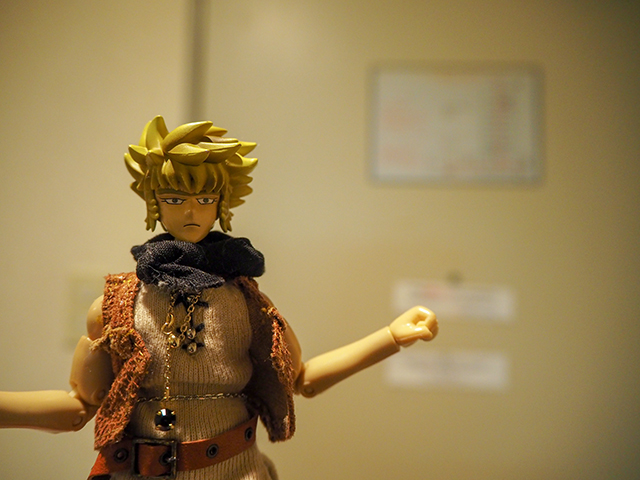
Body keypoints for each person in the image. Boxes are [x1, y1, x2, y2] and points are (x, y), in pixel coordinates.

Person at [0, 116, 438, 479]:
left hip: (236, 469)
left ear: (221, 205)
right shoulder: (117, 305)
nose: (191, 211)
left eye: (205, 198)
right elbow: (80, 407)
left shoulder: (248, 303)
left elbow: (302, 379)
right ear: (155, 204)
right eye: (175, 198)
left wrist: (390, 337)